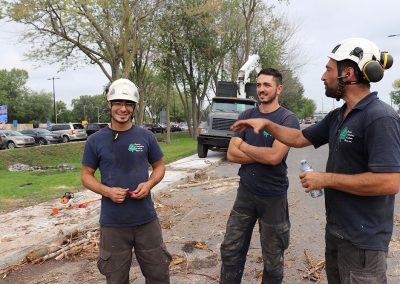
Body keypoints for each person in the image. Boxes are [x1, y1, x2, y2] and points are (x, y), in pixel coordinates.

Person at [231, 38, 400, 283]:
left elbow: (389, 182)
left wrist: (325, 179)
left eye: (329, 69)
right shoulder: (338, 115)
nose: (323, 76)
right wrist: (267, 124)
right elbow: (299, 137)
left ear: (348, 73)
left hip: (364, 240)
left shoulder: (380, 117)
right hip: (338, 231)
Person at [81, 78, 171, 284]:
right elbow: (86, 175)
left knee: (159, 275)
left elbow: (159, 166)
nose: (123, 108)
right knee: (116, 279)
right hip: (113, 224)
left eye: (128, 104)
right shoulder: (95, 141)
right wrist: (107, 191)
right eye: (118, 103)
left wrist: (149, 184)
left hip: (146, 220)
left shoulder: (145, 137)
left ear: (134, 107)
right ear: (109, 104)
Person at [220, 68, 300, 284]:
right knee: (230, 251)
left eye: (267, 85)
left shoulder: (287, 120)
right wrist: (262, 155)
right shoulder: (246, 115)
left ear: (279, 88)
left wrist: (244, 146)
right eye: (259, 85)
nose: (261, 89)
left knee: (273, 261)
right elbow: (230, 153)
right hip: (245, 194)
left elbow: (275, 157)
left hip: (273, 197)